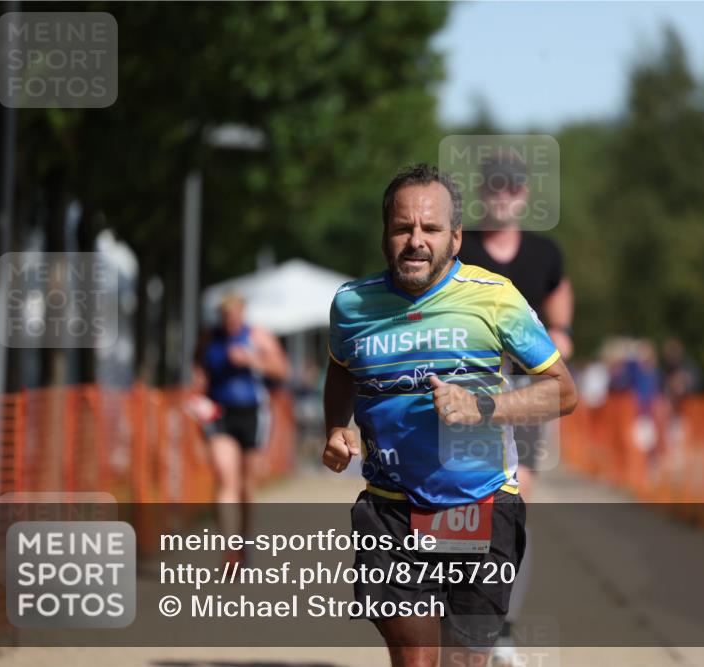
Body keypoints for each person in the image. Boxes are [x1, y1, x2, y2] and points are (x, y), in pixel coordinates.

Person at [322, 163, 578, 667]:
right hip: (389, 509)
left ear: (455, 238)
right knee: (416, 658)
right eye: (403, 228)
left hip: (476, 506)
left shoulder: (495, 299)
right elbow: (341, 371)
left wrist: (482, 405)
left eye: (431, 229)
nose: (416, 241)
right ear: (385, 236)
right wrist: (336, 426)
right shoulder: (351, 305)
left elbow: (563, 392)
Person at [456, 157, 574, 665]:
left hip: (522, 393)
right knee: (458, 506)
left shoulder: (544, 253)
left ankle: (501, 624)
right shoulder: (466, 248)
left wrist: (555, 336)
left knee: (515, 499)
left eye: (512, 189)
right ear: (484, 194)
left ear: (524, 195)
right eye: (494, 189)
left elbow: (560, 311)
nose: (503, 197)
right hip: (467, 389)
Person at [192, 293, 290, 562]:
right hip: (218, 412)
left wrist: (252, 360)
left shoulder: (257, 336)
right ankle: (229, 548)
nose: (229, 320)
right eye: (224, 315)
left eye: (234, 314)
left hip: (252, 413)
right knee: (225, 478)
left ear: (242, 313)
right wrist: (197, 389)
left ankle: (245, 541)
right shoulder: (210, 338)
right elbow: (198, 368)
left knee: (246, 484)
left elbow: (282, 370)